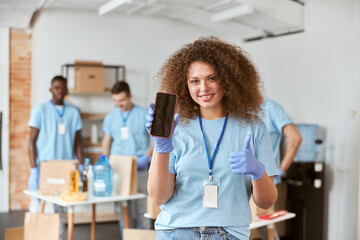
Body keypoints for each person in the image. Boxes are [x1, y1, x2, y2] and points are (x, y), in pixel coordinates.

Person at [146, 36, 278, 240]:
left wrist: (258, 172)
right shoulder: (176, 127)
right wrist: (161, 147)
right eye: (194, 81)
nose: (203, 88)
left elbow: (266, 202)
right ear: (185, 85)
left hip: (228, 234)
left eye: (212, 78)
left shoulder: (253, 127)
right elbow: (158, 197)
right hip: (176, 232)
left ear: (228, 79)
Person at [28, 75, 83, 212]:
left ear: (67, 90)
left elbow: (78, 142)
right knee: (40, 208)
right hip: (45, 166)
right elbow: (31, 141)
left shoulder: (74, 112)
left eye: (63, 88)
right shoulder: (40, 110)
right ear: (50, 89)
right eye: (56, 88)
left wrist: (81, 165)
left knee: (62, 209)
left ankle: (59, 234)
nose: (60, 91)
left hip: (67, 167)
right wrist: (33, 170)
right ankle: (38, 234)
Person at [102, 81, 153, 228]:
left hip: (140, 167)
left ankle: (143, 237)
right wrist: (104, 158)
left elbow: (156, 140)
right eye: (116, 101)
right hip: (119, 168)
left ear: (130, 96)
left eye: (122, 100)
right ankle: (127, 236)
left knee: (143, 207)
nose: (119, 104)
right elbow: (106, 141)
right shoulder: (111, 117)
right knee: (122, 207)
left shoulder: (144, 114)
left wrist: (147, 156)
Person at [257, 98, 302, 240]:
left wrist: (281, 169)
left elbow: (295, 138)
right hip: (237, 180)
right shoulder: (235, 107)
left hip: (264, 180)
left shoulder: (271, 108)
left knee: (266, 229)